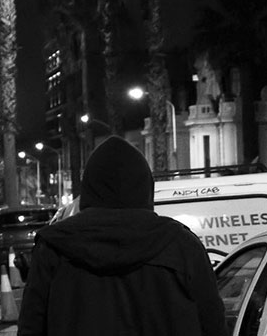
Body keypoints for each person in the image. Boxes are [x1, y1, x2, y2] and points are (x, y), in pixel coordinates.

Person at [18, 136, 227, 336]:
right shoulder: (181, 245)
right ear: (145, 187)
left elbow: (32, 326)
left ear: (90, 187)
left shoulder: (54, 247)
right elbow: (212, 324)